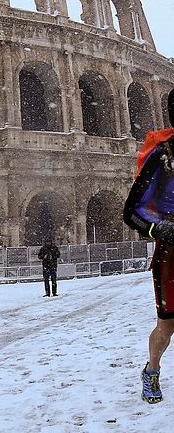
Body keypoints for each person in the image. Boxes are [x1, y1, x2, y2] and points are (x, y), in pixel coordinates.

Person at [124, 88, 174, 404]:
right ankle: (151, 370)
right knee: (167, 327)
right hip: (171, 253)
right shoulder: (163, 156)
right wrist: (161, 228)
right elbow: (132, 211)